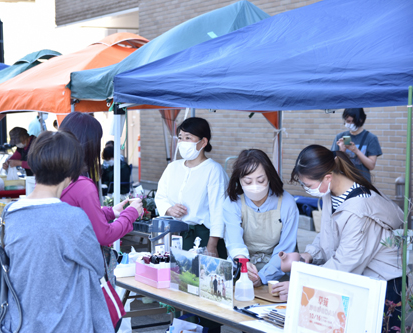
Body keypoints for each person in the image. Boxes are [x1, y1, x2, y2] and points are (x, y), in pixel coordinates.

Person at [273, 145, 403, 330]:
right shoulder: (331, 192)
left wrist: (300, 285)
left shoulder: (358, 209)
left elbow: (345, 262)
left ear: (327, 177)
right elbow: (327, 234)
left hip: (384, 287)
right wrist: (310, 255)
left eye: (308, 186)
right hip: (360, 278)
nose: (307, 190)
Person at [1, 131, 113, 333]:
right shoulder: (73, 218)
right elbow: (97, 266)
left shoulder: (10, 213)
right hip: (64, 323)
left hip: (19, 321)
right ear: (71, 173)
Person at [59, 113, 143, 247]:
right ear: (90, 143)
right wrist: (130, 213)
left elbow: (75, 214)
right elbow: (104, 235)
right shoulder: (82, 185)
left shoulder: (51, 176)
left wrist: (110, 212)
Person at [155, 117, 229, 259]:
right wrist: (169, 209)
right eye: (181, 138)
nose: (182, 143)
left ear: (203, 142)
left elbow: (218, 210)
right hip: (177, 234)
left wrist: (211, 246)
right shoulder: (173, 167)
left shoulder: (213, 170)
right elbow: (160, 196)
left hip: (205, 237)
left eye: (188, 138)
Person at [223, 149, 299, 286]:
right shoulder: (232, 202)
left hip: (277, 269)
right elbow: (234, 242)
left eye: (260, 180)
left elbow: (286, 247)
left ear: (269, 177)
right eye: (247, 181)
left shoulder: (287, 202)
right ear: (239, 181)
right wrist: (243, 264)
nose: (255, 187)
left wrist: (264, 276)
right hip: (244, 267)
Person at [331, 108, 382, 182]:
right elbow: (332, 165)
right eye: (348, 121)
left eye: (353, 121)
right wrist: (341, 151)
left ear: (361, 120)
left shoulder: (370, 138)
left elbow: (371, 166)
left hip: (362, 182)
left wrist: (356, 151)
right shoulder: (340, 137)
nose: (350, 124)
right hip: (343, 182)